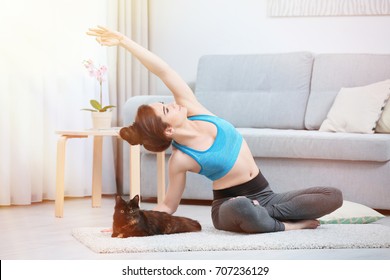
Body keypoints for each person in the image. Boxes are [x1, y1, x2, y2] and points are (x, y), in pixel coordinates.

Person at [87, 26, 343, 233]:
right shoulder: (181, 159)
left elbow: (163, 70)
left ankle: (265, 219)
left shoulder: (193, 107)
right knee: (242, 206)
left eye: (165, 103)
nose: (172, 104)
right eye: (166, 110)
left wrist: (123, 41)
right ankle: (287, 226)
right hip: (228, 207)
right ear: (167, 131)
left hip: (266, 196)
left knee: (333, 196)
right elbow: (168, 205)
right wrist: (128, 223)